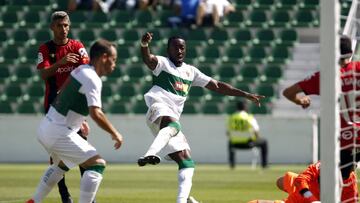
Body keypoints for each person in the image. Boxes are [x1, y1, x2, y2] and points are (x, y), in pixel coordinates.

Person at [137, 32, 265, 203]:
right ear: (168, 50)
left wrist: (245, 94)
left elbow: (218, 86)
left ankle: (182, 201)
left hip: (170, 123)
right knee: (174, 126)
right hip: (157, 109)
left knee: (187, 162)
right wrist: (144, 45)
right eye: (175, 47)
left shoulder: (191, 72)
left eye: (182, 47)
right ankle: (149, 154)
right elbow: (148, 59)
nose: (179, 50)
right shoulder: (163, 63)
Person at [26, 39, 123, 203]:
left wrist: (80, 120)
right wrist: (115, 133)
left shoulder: (80, 70)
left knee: (61, 166)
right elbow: (96, 113)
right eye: (113, 60)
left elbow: (61, 93)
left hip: (47, 127)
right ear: (104, 57)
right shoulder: (92, 78)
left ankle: (34, 200)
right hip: (59, 132)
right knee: (97, 164)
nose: (114, 64)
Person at [282, 35, 360, 180]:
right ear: (350, 52)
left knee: (327, 185)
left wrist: (301, 101)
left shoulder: (326, 77)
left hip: (347, 139)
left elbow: (288, 92)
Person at [36, 11, 91, 203]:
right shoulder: (45, 49)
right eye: (59, 25)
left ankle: (88, 197)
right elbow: (43, 74)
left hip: (74, 107)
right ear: (52, 27)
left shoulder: (77, 46)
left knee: (83, 148)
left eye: (66, 25)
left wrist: (84, 116)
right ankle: (64, 194)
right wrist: (60, 63)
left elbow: (86, 70)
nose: (63, 29)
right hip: (53, 107)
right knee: (57, 154)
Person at [248, 161, 358, 203]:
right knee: (281, 181)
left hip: (304, 196)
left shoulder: (350, 188)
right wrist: (312, 199)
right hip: (307, 191)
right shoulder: (320, 166)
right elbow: (301, 180)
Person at [227, 100, 268, 169]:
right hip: (249, 143)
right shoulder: (249, 117)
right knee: (264, 142)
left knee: (229, 142)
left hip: (235, 143)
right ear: (245, 108)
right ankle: (264, 165)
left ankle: (232, 165)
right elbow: (256, 131)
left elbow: (228, 133)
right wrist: (257, 138)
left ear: (237, 108)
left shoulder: (231, 118)